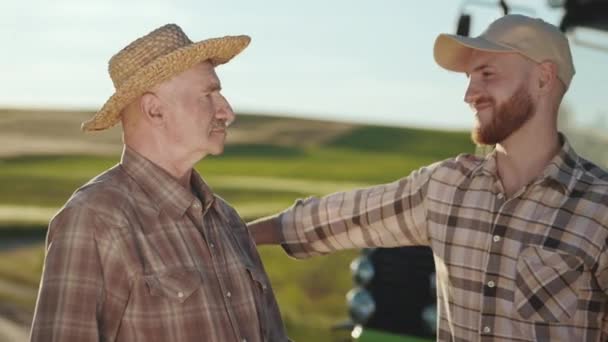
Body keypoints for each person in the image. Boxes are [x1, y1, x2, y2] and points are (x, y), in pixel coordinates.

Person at [249, 14, 608, 341]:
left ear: (544, 78)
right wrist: (232, 235)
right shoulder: (446, 187)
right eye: (469, 78)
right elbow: (335, 217)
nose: (469, 94)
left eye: (487, 74)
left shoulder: (599, 208)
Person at [30, 24, 289, 342]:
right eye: (208, 95)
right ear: (154, 110)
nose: (227, 112)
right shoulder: (95, 219)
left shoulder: (227, 220)